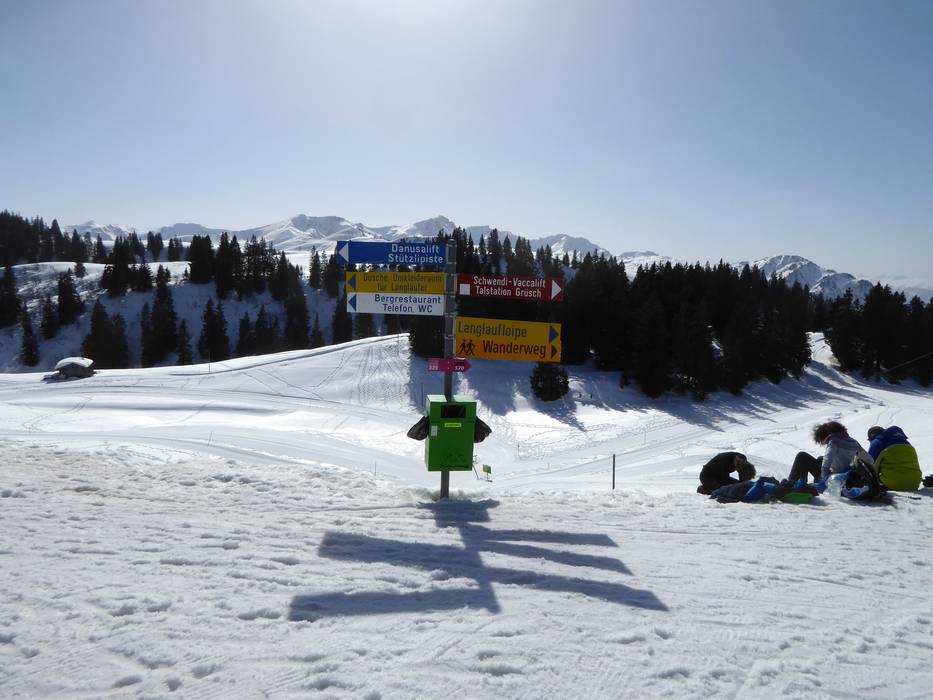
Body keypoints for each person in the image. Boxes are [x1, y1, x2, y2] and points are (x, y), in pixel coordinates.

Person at [788, 421, 872, 485]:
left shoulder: (834, 441)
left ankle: (792, 484)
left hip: (834, 480)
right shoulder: (854, 442)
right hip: (847, 477)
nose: (825, 443)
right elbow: (870, 460)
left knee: (802, 456)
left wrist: (824, 481)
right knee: (820, 459)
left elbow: (826, 462)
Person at [866, 425, 921, 491]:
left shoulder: (877, 442)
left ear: (872, 436)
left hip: (893, 484)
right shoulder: (906, 442)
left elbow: (871, 465)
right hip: (914, 483)